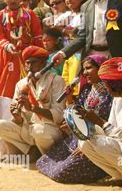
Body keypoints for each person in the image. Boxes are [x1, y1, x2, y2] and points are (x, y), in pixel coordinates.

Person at [36, 55, 111, 183]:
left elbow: (109, 123)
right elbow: (76, 111)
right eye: (83, 70)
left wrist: (87, 142)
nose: (85, 73)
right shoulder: (87, 89)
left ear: (101, 68)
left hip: (98, 140)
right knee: (43, 161)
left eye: (89, 68)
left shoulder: (111, 92)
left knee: (60, 173)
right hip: (79, 137)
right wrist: (69, 97)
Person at [78, 57, 122, 191]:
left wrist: (100, 121)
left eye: (107, 84)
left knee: (102, 144)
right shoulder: (119, 100)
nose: (105, 87)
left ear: (118, 88)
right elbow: (111, 130)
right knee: (85, 143)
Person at [0, 46, 66, 156]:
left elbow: (59, 115)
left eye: (34, 63)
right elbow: (18, 120)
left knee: (39, 131)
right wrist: (17, 117)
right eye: (27, 63)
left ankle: (49, 156)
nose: (29, 67)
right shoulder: (21, 84)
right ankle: (31, 151)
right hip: (28, 129)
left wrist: (33, 108)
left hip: (49, 129)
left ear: (43, 63)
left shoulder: (56, 81)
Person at [0, 0, 43, 98]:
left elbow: (38, 36)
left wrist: (40, 57)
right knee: (5, 88)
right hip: (6, 55)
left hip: (27, 55)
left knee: (30, 88)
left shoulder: (30, 14)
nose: (13, 0)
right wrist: (8, 45)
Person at [59, 0, 86, 97]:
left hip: (83, 55)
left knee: (81, 88)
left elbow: (78, 35)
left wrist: (68, 32)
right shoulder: (70, 16)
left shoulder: (86, 14)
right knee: (69, 88)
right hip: (70, 55)